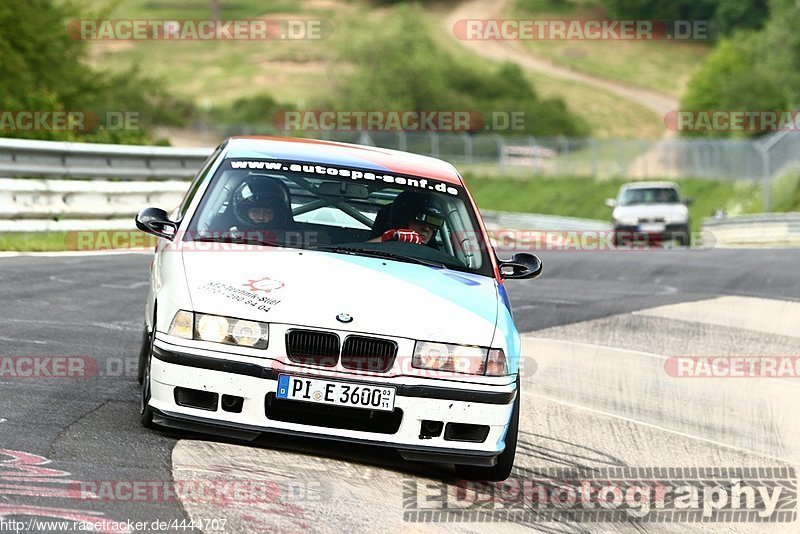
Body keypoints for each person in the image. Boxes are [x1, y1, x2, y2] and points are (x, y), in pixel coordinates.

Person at [378, 192, 445, 245]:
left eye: (432, 225)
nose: (426, 229)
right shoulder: (374, 249)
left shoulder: (438, 258)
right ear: (403, 220)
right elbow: (368, 246)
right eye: (419, 220)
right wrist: (394, 237)